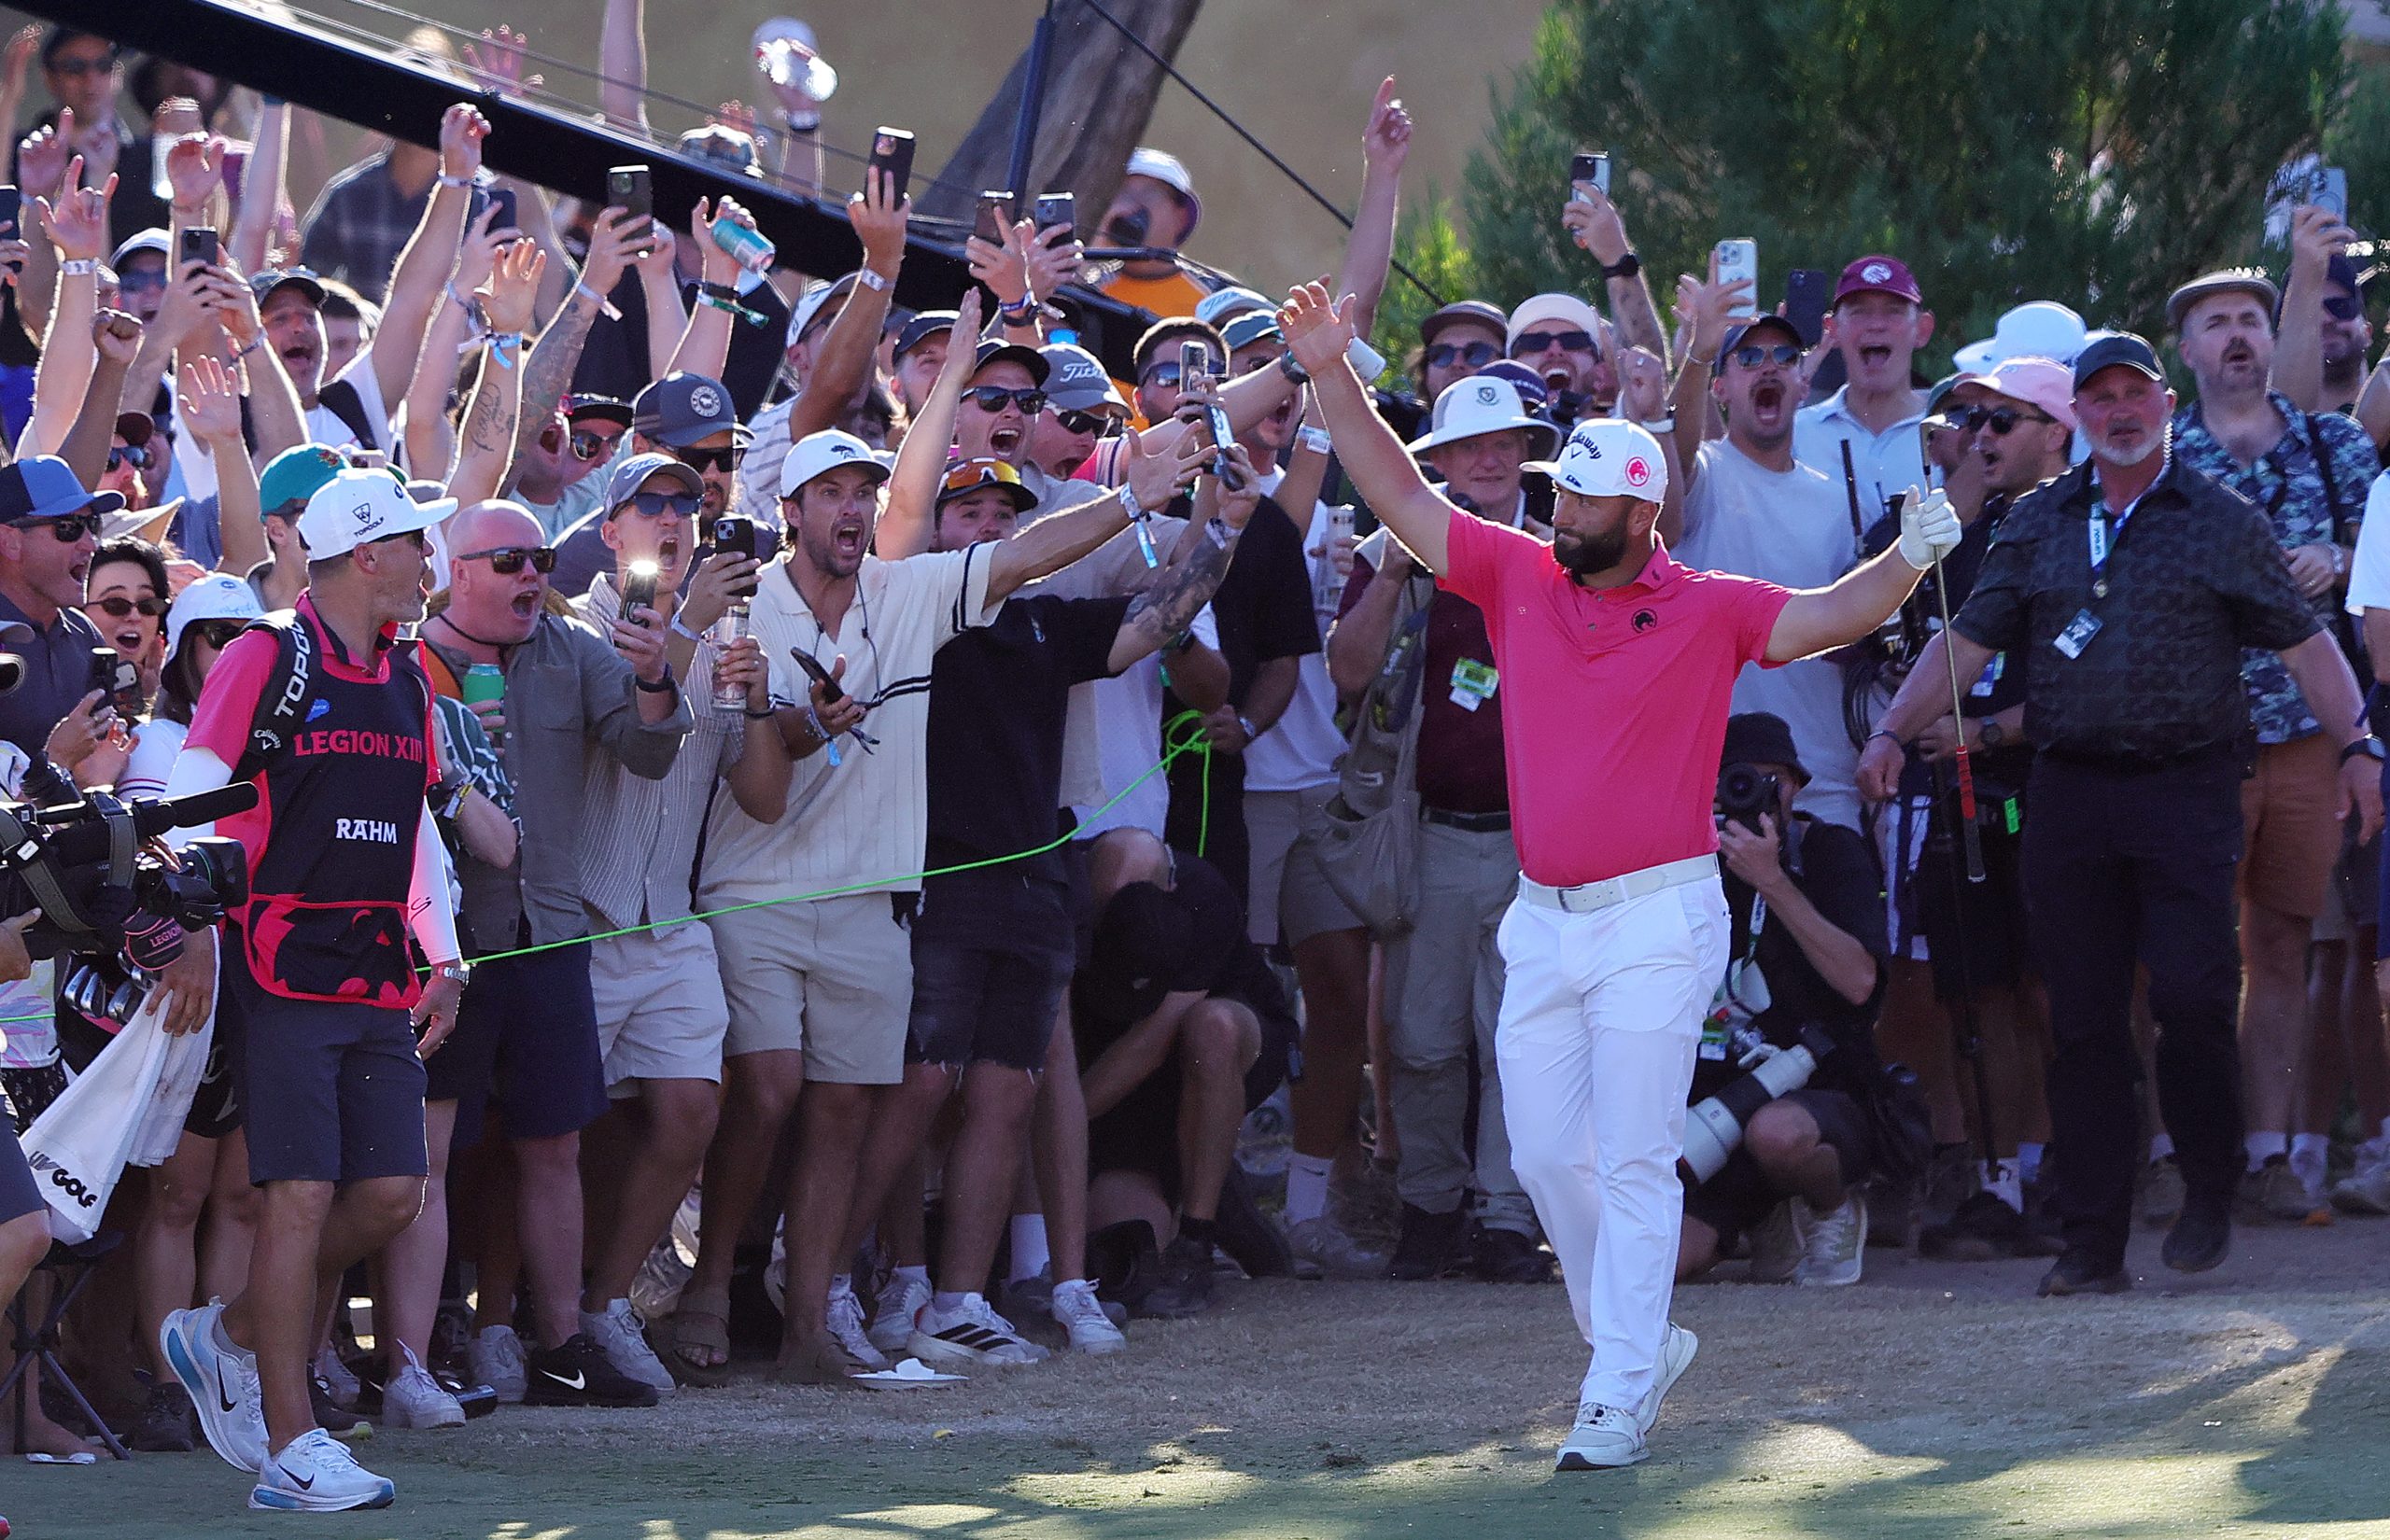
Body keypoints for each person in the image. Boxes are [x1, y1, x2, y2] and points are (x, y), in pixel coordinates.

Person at [1285, 279, 1960, 1470]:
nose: (1560, 514)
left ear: (1640, 511)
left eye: (1582, 500)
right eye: (1558, 494)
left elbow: (1827, 616)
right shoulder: (1517, 574)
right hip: (1542, 921)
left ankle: (1613, 1392)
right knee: (1549, 1157)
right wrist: (1332, 370)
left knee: (1637, 1152)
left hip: (1660, 916)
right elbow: (1392, 486)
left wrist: (1909, 558)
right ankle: (1637, 1342)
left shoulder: (1705, 607)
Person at [672, 419, 1198, 1385]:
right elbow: (754, 779)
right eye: (828, 492)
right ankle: (714, 1283)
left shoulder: (905, 592)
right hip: (762, 886)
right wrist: (786, 721)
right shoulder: (750, 605)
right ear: (787, 511)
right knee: (782, 1089)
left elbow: (1040, 553)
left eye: (859, 491)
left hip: (880, 890)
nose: (850, 506)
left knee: (852, 1106)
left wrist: (1141, 501)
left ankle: (814, 1333)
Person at [1861, 330, 2382, 1299]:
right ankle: (2091, 1240)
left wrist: (2354, 746)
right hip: (2070, 792)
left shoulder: (2218, 518)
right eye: (2098, 400)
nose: (2120, 412)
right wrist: (1891, 733)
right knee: (2083, 1017)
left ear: (2165, 408)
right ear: (2078, 419)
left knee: (2190, 996)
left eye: (2135, 395)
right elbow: (1965, 646)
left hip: (2186, 790)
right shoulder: (2039, 522)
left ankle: (2208, 1187)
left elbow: (2305, 643)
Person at [836, 438, 1250, 1367]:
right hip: (936, 878)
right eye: (967, 512)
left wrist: (1217, 525)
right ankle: (825, 1278)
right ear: (935, 529)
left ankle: (953, 1301)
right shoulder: (905, 611)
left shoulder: (1043, 624)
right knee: (923, 1083)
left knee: (1003, 1092)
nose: (988, 528)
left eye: (1004, 515)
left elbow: (1156, 619)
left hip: (1034, 875)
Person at [155, 467, 468, 1512]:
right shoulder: (263, 654)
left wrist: (448, 953)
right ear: (369, 553)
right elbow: (195, 794)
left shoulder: (411, 675)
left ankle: (232, 1331)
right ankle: (293, 1448)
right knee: (296, 1197)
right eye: (419, 543)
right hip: (274, 958)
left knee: (388, 1195)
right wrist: (192, 930)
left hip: (376, 971)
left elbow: (416, 826)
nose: (434, 561)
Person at [412, 494, 691, 1412]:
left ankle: (564, 1349)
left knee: (553, 1146)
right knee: (429, 1155)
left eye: (539, 558)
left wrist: (653, 677)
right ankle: (419, 1354)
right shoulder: (406, 661)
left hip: (548, 935)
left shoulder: (571, 650)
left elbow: (649, 754)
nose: (533, 575)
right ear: (456, 570)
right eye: (509, 562)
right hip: (439, 945)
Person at [1329, 372, 1557, 1282]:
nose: (1492, 458)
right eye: (1472, 446)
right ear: (1445, 463)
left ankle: (1506, 1220)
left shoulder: (1563, 552)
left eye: (1505, 443)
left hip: (1538, 839)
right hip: (1433, 834)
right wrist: (1389, 567)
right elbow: (1346, 672)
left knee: (1521, 1038)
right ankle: (1429, 1206)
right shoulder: (1406, 556)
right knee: (1421, 1041)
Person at [2165, 269, 2381, 1224]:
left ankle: (2267, 1156)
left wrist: (2337, 559)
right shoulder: (2159, 455)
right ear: (2186, 351)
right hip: (2194, 739)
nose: (2236, 337)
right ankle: (2178, 1154)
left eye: (2249, 320)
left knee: (2282, 945)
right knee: (2183, 952)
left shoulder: (2333, 447)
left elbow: (2379, 557)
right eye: (2215, 324)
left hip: (2304, 738)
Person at [1874, 360, 2074, 1258]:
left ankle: (2066, 1174)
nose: (1982, 436)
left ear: (2058, 431)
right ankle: (1998, 1182)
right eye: (1976, 421)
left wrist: (1981, 734)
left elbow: (2094, 690)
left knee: (2054, 991)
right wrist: (1898, 733)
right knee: (1977, 991)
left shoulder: (2092, 527)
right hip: (1965, 804)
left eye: (2006, 421)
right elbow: (1935, 649)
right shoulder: (1971, 530)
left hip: (2061, 795)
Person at [1685, 714, 1891, 1286]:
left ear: (1794, 787)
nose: (1747, 793)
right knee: (1668, 1262)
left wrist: (1772, 881)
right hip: (1714, 1102)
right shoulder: (1691, 867)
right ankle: (1763, 1214)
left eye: (1764, 780)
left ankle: (1830, 1205)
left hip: (1817, 1088)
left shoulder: (1829, 851)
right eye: (1732, 780)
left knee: (1776, 1135)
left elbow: (1859, 984)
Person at [1670, 279, 1864, 831]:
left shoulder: (1836, 500)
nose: (1769, 367)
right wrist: (1699, 351)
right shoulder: (1702, 475)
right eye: (1749, 356)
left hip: (1824, 785)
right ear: (1722, 387)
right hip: (1712, 786)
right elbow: (1675, 458)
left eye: (1784, 355)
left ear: (1803, 383)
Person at [1793, 256, 1934, 528]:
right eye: (1859, 312)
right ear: (1832, 330)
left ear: (1922, 329)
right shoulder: (1797, 435)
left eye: (1893, 311)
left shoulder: (1948, 435)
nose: (1876, 325)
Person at [0, 454, 116, 759]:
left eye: (92, 524)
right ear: (10, 540)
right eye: (68, 526)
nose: (91, 544)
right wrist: (57, 762)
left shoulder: (85, 634)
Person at [1090, 147, 1225, 322]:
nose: (1132, 206)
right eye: (1124, 193)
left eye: (1149, 194)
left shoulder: (1215, 295)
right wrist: (1100, 238)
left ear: (1181, 217)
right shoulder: (1094, 283)